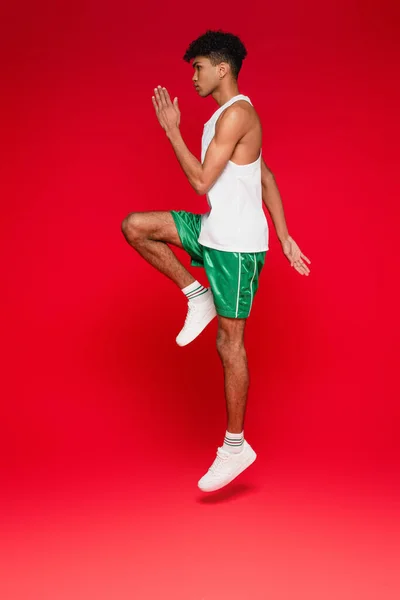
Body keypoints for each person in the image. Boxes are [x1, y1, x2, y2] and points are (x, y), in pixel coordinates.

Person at [121, 29, 311, 493]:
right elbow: (264, 175)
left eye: (198, 67)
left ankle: (235, 445)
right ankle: (196, 294)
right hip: (213, 231)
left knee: (229, 346)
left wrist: (170, 130)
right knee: (135, 226)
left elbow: (202, 182)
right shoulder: (223, 118)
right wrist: (286, 235)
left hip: (238, 248)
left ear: (222, 69)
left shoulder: (239, 114)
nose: (193, 77)